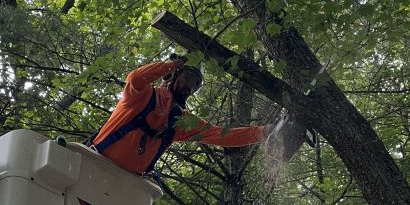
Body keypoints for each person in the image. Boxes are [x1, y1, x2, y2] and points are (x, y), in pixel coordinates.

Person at [87, 56, 274, 175]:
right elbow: (135, 78)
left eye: (194, 85)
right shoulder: (142, 96)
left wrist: (264, 132)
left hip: (129, 183)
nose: (189, 87)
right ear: (173, 76)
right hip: (95, 164)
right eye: (187, 79)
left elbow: (221, 135)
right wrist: (171, 65)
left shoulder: (181, 121)